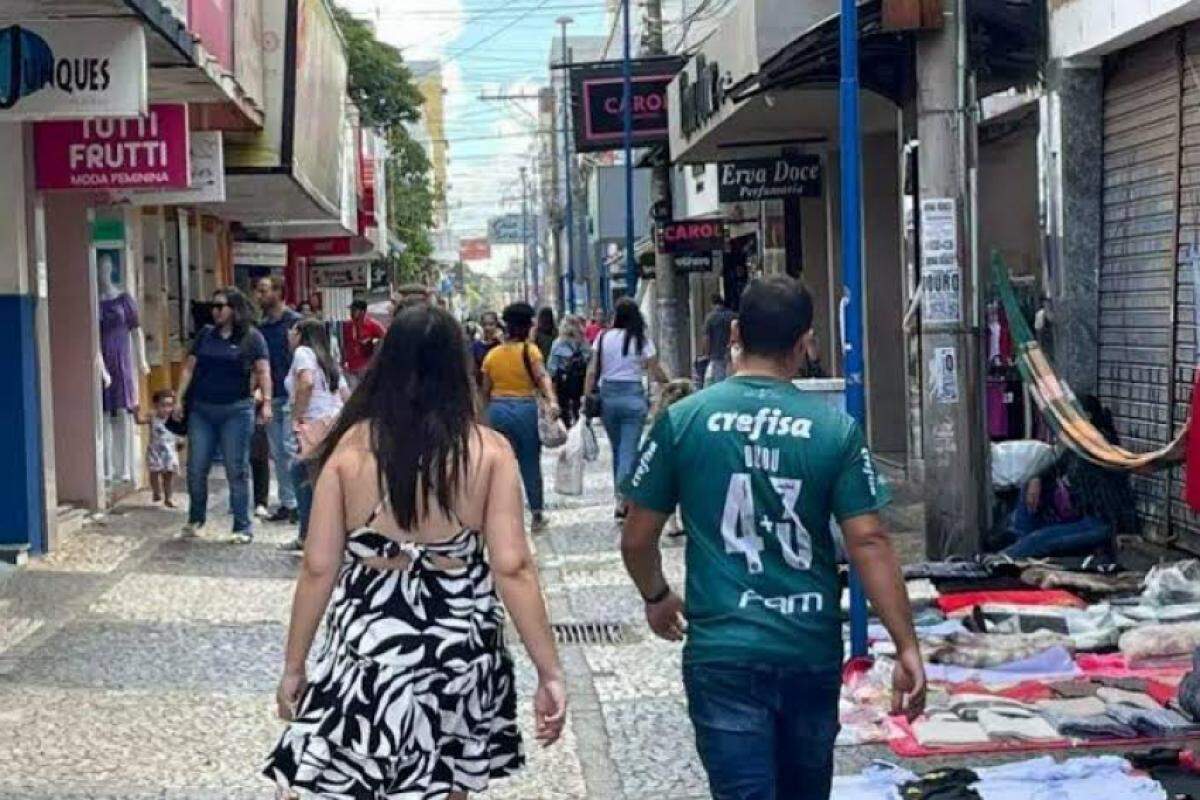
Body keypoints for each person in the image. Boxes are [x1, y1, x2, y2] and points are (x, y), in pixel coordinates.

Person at [620, 276, 925, 800]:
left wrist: (657, 595)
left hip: (722, 651)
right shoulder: (834, 430)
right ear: (806, 341)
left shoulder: (683, 420)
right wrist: (906, 646)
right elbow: (869, 540)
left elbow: (636, 537)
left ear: (735, 332)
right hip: (808, 647)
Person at [264, 303, 567, 799]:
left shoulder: (348, 451)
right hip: (458, 644)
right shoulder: (488, 453)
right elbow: (513, 567)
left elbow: (319, 567)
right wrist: (549, 671)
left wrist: (295, 666)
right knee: (445, 781)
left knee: (357, 776)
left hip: (368, 642)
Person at [175, 288, 272, 543]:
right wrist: (178, 399)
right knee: (196, 467)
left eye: (221, 306)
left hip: (236, 410)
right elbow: (189, 368)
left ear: (235, 309)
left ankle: (242, 525)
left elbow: (264, 371)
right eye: (214, 306)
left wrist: (268, 403)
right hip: (202, 409)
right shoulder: (206, 335)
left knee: (236, 469)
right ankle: (196, 519)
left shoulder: (252, 338)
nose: (215, 311)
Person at [1003, 395, 1137, 559]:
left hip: (1101, 522)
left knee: (1040, 540)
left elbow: (1116, 499)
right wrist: (1035, 478)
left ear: (1086, 416)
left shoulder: (1100, 447)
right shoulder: (1077, 444)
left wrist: (1125, 530)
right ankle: (1018, 545)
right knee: (1029, 489)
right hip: (1078, 515)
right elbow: (1051, 465)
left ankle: (1003, 558)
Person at [583, 297, 669, 518]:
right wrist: (669, 384)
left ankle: (620, 500)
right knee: (628, 450)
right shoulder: (641, 339)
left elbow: (592, 370)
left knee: (617, 450)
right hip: (633, 397)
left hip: (608, 397)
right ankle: (624, 497)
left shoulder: (602, 338)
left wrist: (586, 396)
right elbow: (654, 369)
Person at [480, 302, 560, 532]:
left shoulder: (492, 356)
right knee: (530, 462)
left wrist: (481, 418)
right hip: (526, 410)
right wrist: (552, 401)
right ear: (527, 327)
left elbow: (484, 391)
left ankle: (502, 514)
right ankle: (536, 514)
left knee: (501, 464)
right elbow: (543, 377)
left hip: (498, 411)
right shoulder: (531, 351)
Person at [279, 319, 351, 553]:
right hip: (334, 421)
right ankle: (312, 533)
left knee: (312, 479)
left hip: (313, 424)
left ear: (300, 334)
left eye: (292, 330)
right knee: (306, 474)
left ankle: (318, 537)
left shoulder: (302, 353)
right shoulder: (328, 359)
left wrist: (296, 417)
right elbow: (345, 394)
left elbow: (306, 383)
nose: (289, 335)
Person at [255, 276, 303, 523]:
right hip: (271, 395)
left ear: (278, 292)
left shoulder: (295, 324)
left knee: (289, 448)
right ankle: (288, 503)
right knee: (278, 452)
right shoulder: (261, 328)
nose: (259, 296)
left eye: (264, 291)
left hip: (292, 395)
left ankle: (298, 503)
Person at [138, 389, 180, 507]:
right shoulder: (153, 416)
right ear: (156, 405)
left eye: (170, 405)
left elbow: (179, 430)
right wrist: (136, 412)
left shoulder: (174, 417)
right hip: (155, 451)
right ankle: (156, 491)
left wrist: (180, 440)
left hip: (170, 451)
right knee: (154, 472)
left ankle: (169, 498)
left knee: (169, 476)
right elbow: (140, 421)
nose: (167, 409)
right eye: (163, 405)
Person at [547, 315, 590, 427]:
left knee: (564, 409)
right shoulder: (583, 341)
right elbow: (589, 359)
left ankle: (567, 430)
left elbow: (552, 366)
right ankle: (580, 427)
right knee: (579, 407)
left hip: (564, 380)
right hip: (580, 380)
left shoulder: (558, 343)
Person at [342, 299, 386, 388]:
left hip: (366, 366)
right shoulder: (347, 325)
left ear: (363, 312)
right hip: (351, 366)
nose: (351, 313)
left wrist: (372, 341)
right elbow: (344, 344)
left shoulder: (373, 324)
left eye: (354, 310)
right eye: (351, 310)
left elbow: (386, 338)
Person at [700, 294, 737, 385]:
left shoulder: (710, 318)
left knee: (719, 380)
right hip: (732, 353)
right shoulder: (732, 316)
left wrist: (706, 353)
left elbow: (706, 338)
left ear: (712, 304)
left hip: (716, 354)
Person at [471, 310, 503, 384]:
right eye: (484, 325)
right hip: (482, 385)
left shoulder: (501, 344)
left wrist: (501, 341)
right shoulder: (476, 345)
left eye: (491, 324)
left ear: (496, 325)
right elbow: (474, 370)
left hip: (501, 386)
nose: (487, 328)